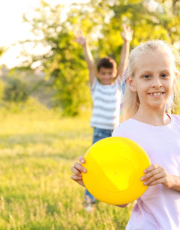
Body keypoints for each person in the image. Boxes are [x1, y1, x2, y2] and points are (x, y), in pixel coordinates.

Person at [71, 40, 180, 229]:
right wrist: (90, 181)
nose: (157, 83)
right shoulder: (125, 133)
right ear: (131, 83)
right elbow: (123, 199)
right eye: (146, 76)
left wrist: (170, 180)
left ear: (173, 78)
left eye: (164, 75)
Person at [74, 24, 133, 211]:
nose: (107, 76)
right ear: (99, 74)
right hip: (99, 131)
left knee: (114, 165)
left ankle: (114, 194)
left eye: (110, 73)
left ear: (114, 74)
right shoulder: (96, 86)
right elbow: (90, 65)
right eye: (103, 73)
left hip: (116, 131)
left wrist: (126, 42)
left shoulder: (117, 85)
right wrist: (85, 46)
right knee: (94, 165)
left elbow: (123, 63)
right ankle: (89, 199)